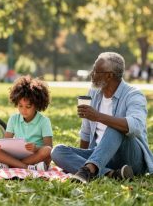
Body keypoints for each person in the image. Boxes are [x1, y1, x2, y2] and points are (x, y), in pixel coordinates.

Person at [51, 52, 153, 183]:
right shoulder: (94, 92)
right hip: (100, 155)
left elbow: (136, 126)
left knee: (115, 127)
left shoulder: (134, 94)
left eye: (96, 71)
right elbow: (86, 132)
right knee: (58, 152)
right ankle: (111, 174)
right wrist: (82, 156)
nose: (91, 74)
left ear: (109, 75)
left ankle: (88, 170)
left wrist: (98, 117)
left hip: (131, 158)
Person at [0, 76, 52, 170]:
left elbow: (48, 146)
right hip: (15, 155)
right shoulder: (13, 119)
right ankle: (27, 167)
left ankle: (10, 165)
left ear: (37, 105)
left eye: (28, 107)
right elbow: (6, 141)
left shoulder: (44, 121)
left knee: (48, 151)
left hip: (34, 156)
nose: (23, 110)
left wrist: (35, 148)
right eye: (20, 106)